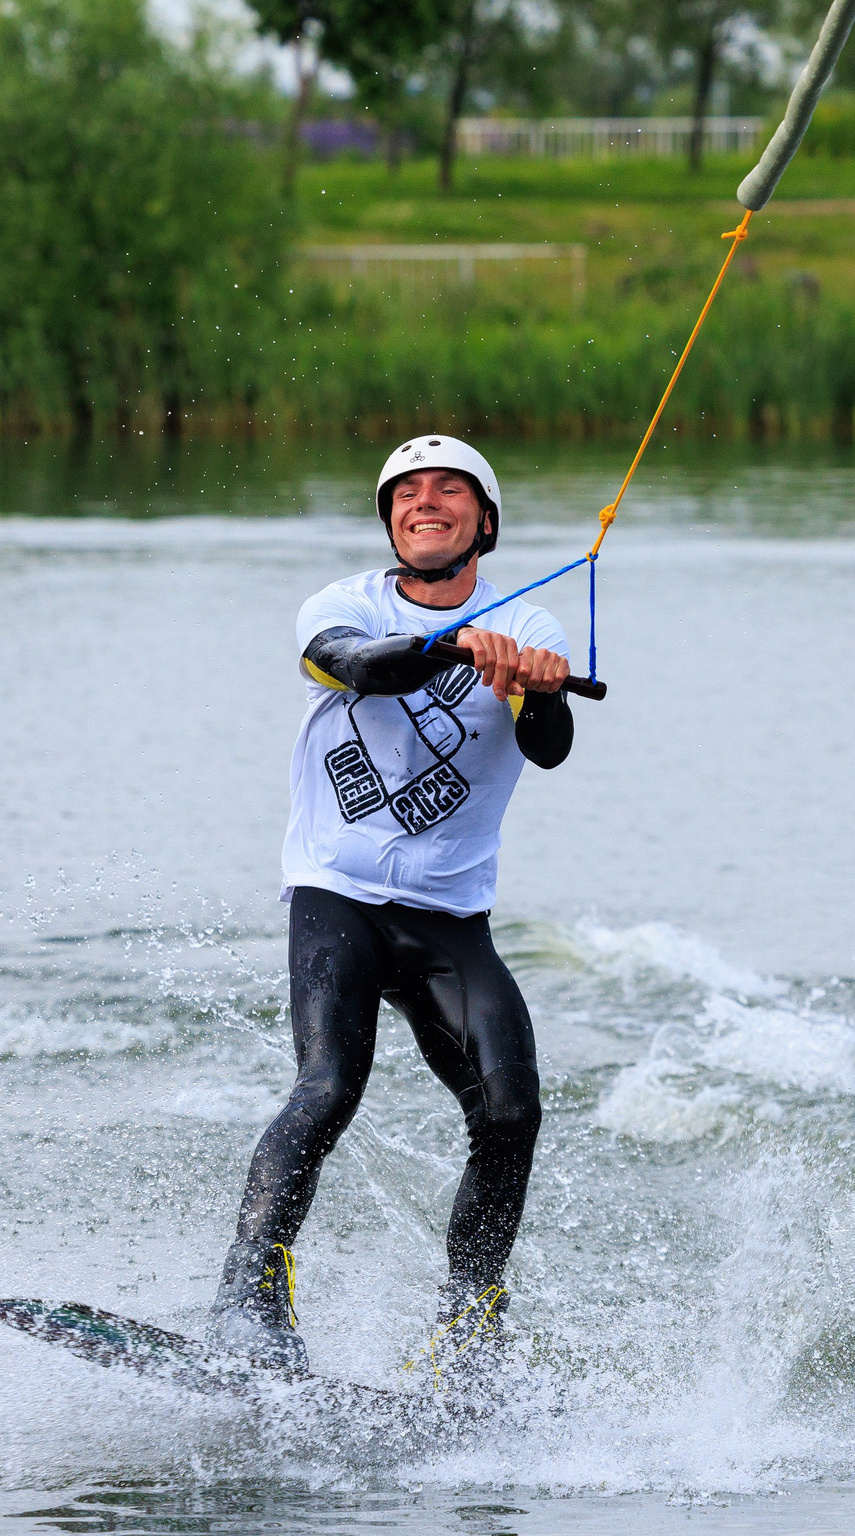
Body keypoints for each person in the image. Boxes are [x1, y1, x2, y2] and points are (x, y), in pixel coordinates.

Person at [210, 435, 575, 1387]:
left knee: (511, 1110)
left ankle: (469, 1329)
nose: (426, 501)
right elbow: (361, 666)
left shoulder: (534, 624)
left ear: (482, 521)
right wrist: (449, 646)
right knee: (329, 1086)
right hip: (338, 893)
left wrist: (533, 687)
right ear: (390, 521)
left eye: (449, 489)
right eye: (406, 492)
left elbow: (552, 748)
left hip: (450, 916)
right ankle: (247, 1300)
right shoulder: (340, 607)